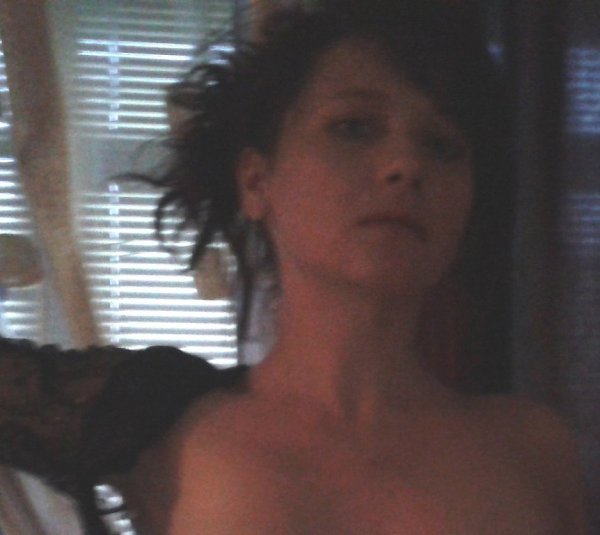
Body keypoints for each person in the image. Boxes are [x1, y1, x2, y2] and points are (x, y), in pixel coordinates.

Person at [0, 1, 589, 533]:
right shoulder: (165, 428)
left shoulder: (532, 450)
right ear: (256, 182)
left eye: (442, 145)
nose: (405, 164)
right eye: (353, 127)